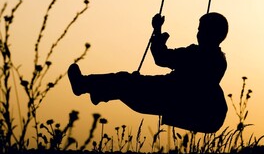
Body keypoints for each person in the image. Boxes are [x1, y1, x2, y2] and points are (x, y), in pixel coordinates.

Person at [67, 12, 229, 133]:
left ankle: (84, 85)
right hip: (200, 110)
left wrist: (157, 31)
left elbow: (161, 57)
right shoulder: (219, 59)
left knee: (125, 81)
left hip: (170, 96)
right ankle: (95, 90)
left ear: (210, 33)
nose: (198, 33)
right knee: (126, 83)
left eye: (201, 30)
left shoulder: (197, 54)